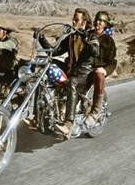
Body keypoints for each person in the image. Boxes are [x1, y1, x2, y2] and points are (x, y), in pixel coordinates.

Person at [36, 8, 99, 139]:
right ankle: (38, 115)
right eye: (73, 19)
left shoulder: (91, 36)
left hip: (84, 75)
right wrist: (41, 38)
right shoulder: (71, 37)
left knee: (72, 82)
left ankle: (68, 124)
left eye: (76, 20)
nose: (73, 22)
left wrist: (85, 38)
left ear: (84, 22)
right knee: (45, 64)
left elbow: (95, 51)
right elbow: (54, 51)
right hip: (71, 70)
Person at [85, 11, 117, 127]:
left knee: (99, 75)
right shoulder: (87, 34)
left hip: (96, 70)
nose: (98, 22)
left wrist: (105, 70)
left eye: (102, 21)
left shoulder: (109, 41)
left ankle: (96, 112)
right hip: (84, 68)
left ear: (105, 25)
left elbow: (112, 61)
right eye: (98, 19)